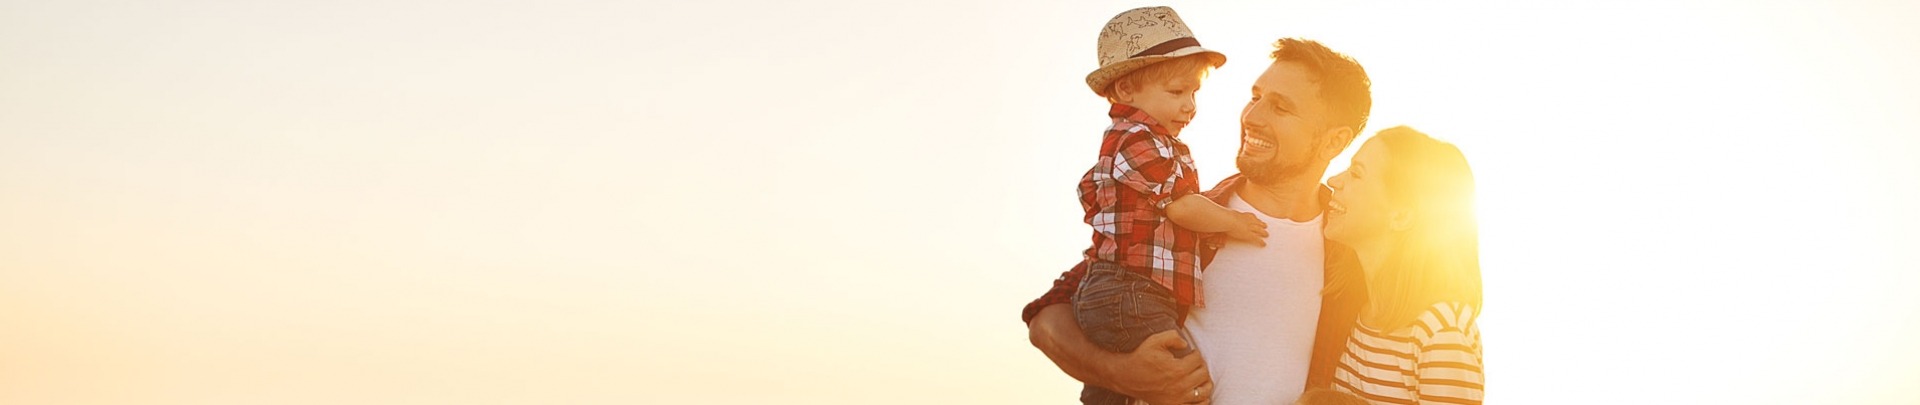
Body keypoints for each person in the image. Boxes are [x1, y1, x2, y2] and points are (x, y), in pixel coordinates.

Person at [1027, 37, 1374, 405]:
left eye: (1281, 108)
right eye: (1255, 97)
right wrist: (1119, 373)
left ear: (1334, 142)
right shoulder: (1181, 217)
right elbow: (1046, 318)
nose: (1252, 117)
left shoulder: (1352, 250)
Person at [1065, 6, 1268, 405]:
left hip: (1133, 292)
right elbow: (1181, 207)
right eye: (1177, 92)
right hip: (1129, 290)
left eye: (1194, 92)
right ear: (1125, 91)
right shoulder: (1135, 139)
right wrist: (1232, 222)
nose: (1190, 105)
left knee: (1115, 391)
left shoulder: (1155, 141)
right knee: (1182, 381)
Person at [1323, 127, 1485, 404]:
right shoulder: (1358, 313)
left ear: (1400, 216)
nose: (1333, 180)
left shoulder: (1440, 331)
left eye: (1356, 173)